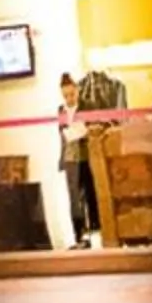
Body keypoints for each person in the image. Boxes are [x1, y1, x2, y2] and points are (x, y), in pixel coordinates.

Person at [54, 71, 96, 248]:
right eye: (65, 95)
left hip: (85, 155)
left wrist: (81, 131)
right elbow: (62, 135)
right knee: (73, 198)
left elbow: (91, 129)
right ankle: (78, 234)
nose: (69, 98)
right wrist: (61, 157)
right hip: (70, 157)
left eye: (71, 94)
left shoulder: (87, 106)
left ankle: (93, 231)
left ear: (77, 91)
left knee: (89, 193)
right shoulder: (61, 110)